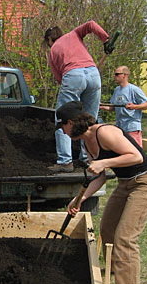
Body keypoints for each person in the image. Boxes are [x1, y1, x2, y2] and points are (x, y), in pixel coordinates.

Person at [56, 101, 147, 284]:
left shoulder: (105, 133)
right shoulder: (87, 143)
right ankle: (117, 269)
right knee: (107, 230)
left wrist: (104, 163)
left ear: (70, 123)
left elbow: (136, 156)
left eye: (63, 128)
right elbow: (99, 177)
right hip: (125, 184)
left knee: (125, 238)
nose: (64, 133)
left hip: (145, 183)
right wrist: (80, 199)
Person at [44, 21, 110, 172]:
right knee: (90, 119)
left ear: (49, 39)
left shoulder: (53, 50)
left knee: (62, 118)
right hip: (93, 74)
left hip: (73, 75)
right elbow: (91, 24)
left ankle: (65, 161)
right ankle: (89, 157)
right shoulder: (74, 34)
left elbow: (59, 79)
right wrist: (105, 39)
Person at [100, 66, 147, 148]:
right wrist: (102, 106)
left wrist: (135, 106)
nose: (114, 76)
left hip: (132, 128)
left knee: (136, 152)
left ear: (125, 75)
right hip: (120, 128)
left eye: (117, 74)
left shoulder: (134, 89)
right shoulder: (117, 90)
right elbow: (113, 108)